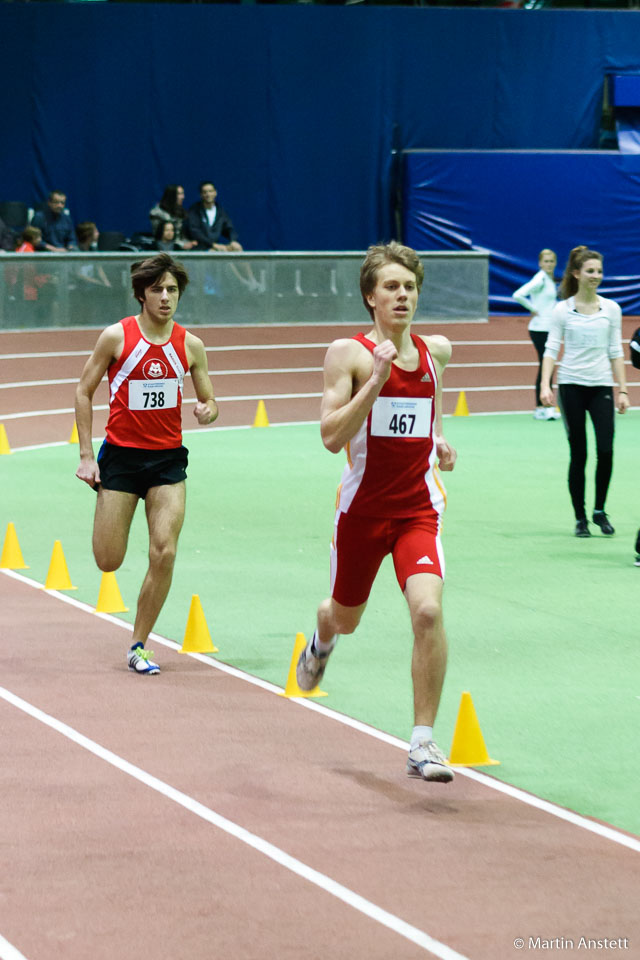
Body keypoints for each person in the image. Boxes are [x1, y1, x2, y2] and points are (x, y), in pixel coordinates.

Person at [296, 241, 457, 783]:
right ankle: (324, 633)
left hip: (418, 509)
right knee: (346, 618)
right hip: (363, 514)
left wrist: (438, 441)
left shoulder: (437, 352)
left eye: (409, 286)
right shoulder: (350, 354)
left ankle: (423, 743)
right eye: (391, 286)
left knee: (428, 613)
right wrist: (374, 382)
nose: (402, 295)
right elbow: (329, 436)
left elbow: (423, 415)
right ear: (371, 296)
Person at [74, 253, 219, 674]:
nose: (165, 297)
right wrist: (87, 456)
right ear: (141, 293)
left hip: (167, 461)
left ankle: (139, 644)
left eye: (172, 290)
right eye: (157, 289)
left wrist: (208, 410)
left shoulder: (190, 345)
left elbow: (209, 399)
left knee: (165, 550)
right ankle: (110, 510)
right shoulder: (116, 337)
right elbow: (83, 391)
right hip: (120, 458)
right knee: (108, 560)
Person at [540, 245, 628, 538]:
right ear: (576, 274)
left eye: (599, 271)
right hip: (571, 387)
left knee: (606, 450)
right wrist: (545, 384)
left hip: (601, 385)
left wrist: (623, 390)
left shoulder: (611, 309)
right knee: (579, 454)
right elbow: (551, 349)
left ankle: (599, 510)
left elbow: (616, 351)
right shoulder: (562, 310)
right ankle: (580, 518)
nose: (596, 276)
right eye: (590, 271)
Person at [512, 249, 561, 421]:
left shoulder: (548, 279)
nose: (549, 264)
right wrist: (533, 309)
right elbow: (518, 294)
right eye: (546, 261)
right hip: (540, 329)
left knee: (547, 365)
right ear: (540, 263)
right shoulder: (540, 278)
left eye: (551, 261)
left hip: (548, 327)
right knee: (547, 365)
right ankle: (544, 407)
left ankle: (542, 407)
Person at [184, 181, 243, 252]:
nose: (208, 194)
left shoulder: (220, 211)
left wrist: (233, 240)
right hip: (200, 248)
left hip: (216, 246)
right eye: (205, 192)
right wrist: (213, 245)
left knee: (237, 248)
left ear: (215, 193)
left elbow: (229, 228)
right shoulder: (194, 211)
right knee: (215, 252)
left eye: (210, 191)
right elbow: (196, 233)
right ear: (201, 195)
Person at [149, 185, 196, 250]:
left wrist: (190, 243)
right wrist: (182, 245)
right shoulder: (158, 214)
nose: (183, 197)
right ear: (171, 196)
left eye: (182, 193)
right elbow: (161, 237)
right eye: (179, 194)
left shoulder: (181, 212)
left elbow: (182, 236)